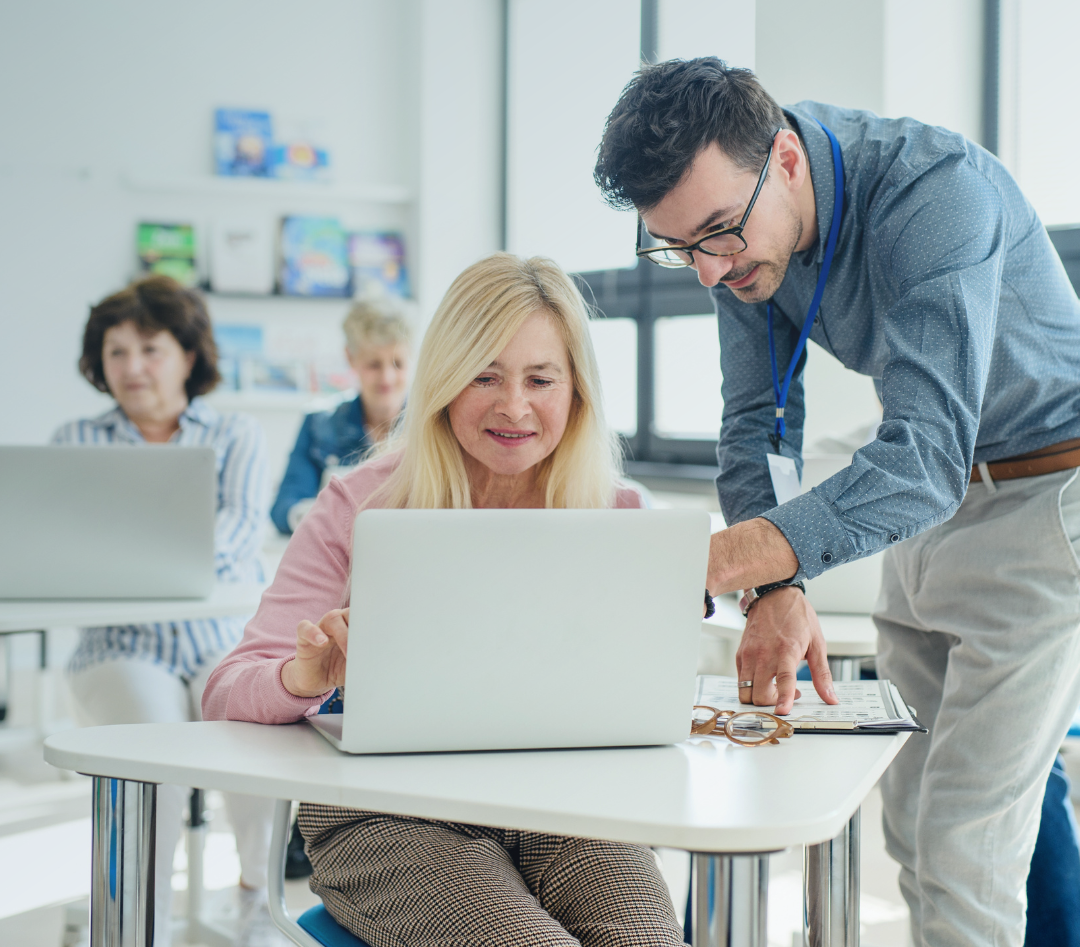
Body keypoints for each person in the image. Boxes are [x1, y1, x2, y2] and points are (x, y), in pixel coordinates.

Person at [592, 57, 1080, 947]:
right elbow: (754, 430)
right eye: (678, 248)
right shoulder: (743, 247)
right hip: (927, 513)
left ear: (784, 158)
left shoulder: (937, 196)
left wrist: (714, 565)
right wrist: (776, 589)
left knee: (966, 847)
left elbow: (923, 456)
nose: (707, 272)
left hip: (1047, 494)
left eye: (716, 235)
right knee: (909, 827)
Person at [202, 254, 684, 947]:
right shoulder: (359, 501)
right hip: (388, 815)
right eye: (484, 375)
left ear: (576, 390)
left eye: (540, 379)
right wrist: (300, 677)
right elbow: (225, 689)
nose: (513, 405)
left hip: (572, 809)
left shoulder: (619, 513)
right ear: (443, 382)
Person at [54, 275, 281, 947]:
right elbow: (68, 550)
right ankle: (133, 930)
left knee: (253, 745)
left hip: (221, 640)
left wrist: (136, 567)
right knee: (152, 762)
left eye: (149, 349)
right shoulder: (76, 441)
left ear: (187, 354)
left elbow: (239, 532)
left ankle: (255, 907)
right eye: (116, 352)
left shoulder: (235, 434)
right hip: (121, 646)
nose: (132, 368)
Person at [270, 300, 411, 534]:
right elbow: (284, 507)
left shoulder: (435, 427)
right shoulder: (318, 426)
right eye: (374, 364)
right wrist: (321, 517)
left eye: (398, 363)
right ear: (350, 358)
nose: (387, 377)